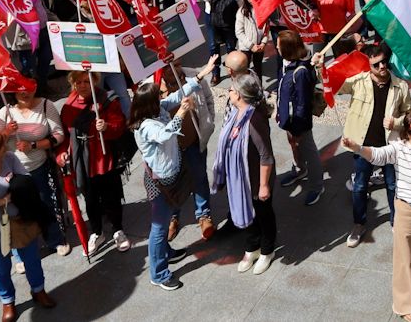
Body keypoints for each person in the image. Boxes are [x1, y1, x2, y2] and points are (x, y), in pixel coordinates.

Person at [341, 108, 411, 322]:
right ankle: (406, 304)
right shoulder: (399, 148)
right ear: (405, 132)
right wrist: (357, 147)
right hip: (407, 209)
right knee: (405, 258)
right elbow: (378, 155)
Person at [128, 55, 219, 292]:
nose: (163, 98)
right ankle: (158, 273)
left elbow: (177, 96)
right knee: (158, 229)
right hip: (161, 183)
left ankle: (166, 253)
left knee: (165, 221)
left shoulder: (156, 109)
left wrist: (201, 74)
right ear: (149, 103)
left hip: (170, 175)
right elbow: (167, 133)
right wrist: (182, 113)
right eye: (158, 97)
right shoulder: (147, 125)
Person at [0, 129, 56, 321]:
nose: (6, 147)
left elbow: (26, 184)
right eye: (1, 145)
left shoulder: (10, 158)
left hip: (19, 220)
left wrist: (0, 200)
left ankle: (38, 290)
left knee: (32, 259)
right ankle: (7, 301)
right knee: (1, 266)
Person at [332, 41, 411, 247]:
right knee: (360, 186)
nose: (382, 67)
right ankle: (359, 224)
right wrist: (317, 67)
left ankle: (396, 219)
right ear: (368, 66)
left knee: (392, 184)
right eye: (376, 64)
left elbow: (410, 115)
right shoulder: (358, 82)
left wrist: (395, 122)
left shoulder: (400, 86)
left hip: (388, 145)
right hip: (363, 146)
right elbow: (333, 84)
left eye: (384, 62)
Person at [58, 71, 131, 256]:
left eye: (86, 81)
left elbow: (120, 126)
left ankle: (118, 230)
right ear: (73, 83)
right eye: (78, 82)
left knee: (111, 196)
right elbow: (66, 137)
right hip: (83, 161)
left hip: (105, 157)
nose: (83, 85)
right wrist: (63, 154)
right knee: (90, 200)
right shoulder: (68, 107)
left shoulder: (108, 101)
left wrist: (106, 127)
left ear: (95, 81)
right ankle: (97, 233)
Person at [0, 87, 70, 255]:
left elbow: (58, 135)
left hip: (39, 167)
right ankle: (21, 252)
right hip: (12, 174)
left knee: (46, 204)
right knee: (17, 211)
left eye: (28, 89)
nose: (24, 93)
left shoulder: (46, 105)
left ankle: (55, 240)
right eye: (19, 90)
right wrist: (6, 132)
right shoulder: (4, 111)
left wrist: (33, 145)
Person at [213, 72, 277, 274]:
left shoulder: (254, 120)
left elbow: (266, 155)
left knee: (263, 214)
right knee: (247, 212)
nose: (229, 93)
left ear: (240, 95)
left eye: (231, 90)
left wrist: (264, 185)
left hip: (256, 180)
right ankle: (252, 247)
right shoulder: (235, 112)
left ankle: (267, 251)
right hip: (239, 178)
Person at [274, 31, 325, 205]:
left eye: (278, 45)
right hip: (288, 120)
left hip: (299, 123)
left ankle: (317, 186)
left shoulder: (300, 72)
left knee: (310, 152)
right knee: (295, 147)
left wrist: (298, 130)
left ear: (287, 49)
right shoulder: (285, 62)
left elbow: (302, 105)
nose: (276, 47)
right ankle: (300, 169)